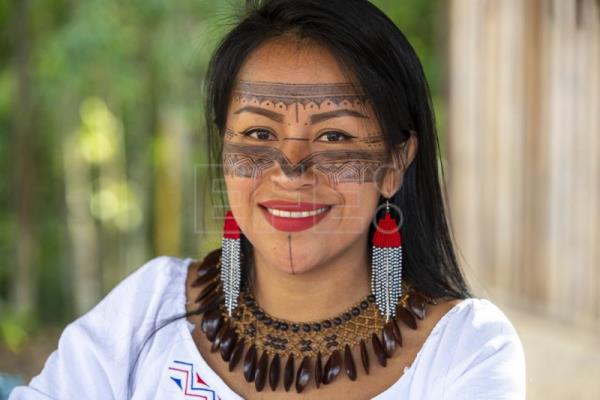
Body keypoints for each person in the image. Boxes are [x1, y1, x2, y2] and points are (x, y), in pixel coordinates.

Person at [10, 0, 526, 399]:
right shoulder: (147, 310)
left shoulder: (465, 350)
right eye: (259, 134)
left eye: (334, 137)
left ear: (394, 164)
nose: (291, 169)